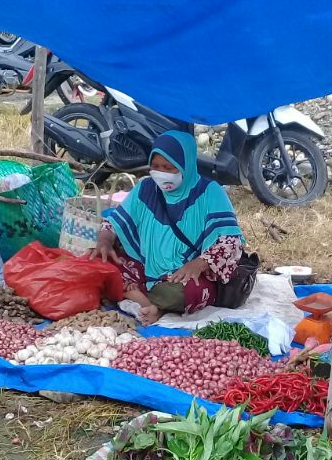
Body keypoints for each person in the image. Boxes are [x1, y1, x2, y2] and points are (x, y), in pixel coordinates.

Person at [93, 132, 244, 325]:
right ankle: (151, 304)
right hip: (145, 267)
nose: (160, 172)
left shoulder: (210, 192)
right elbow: (114, 222)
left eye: (168, 167)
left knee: (184, 292)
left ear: (185, 165)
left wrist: (198, 263)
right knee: (101, 263)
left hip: (187, 275)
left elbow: (231, 243)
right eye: (155, 167)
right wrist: (104, 241)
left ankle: (144, 301)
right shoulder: (146, 188)